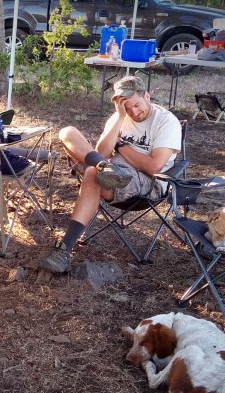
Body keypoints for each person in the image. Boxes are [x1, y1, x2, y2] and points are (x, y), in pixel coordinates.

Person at [39, 76, 182, 273]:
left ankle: (64, 251)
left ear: (147, 96)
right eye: (127, 108)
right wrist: (120, 118)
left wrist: (121, 147)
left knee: (92, 173)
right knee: (67, 132)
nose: (134, 112)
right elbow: (102, 153)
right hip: (110, 171)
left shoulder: (166, 121)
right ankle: (104, 168)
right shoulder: (120, 117)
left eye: (137, 105)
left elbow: (154, 166)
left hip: (149, 182)